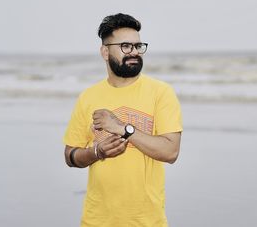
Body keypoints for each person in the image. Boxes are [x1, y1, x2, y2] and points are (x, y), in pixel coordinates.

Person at [63, 13, 183, 227]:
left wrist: (122, 128)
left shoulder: (161, 93)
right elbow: (70, 156)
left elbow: (171, 152)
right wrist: (97, 152)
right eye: (126, 46)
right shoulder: (88, 97)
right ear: (105, 52)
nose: (135, 52)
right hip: (96, 221)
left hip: (147, 222)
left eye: (138, 46)